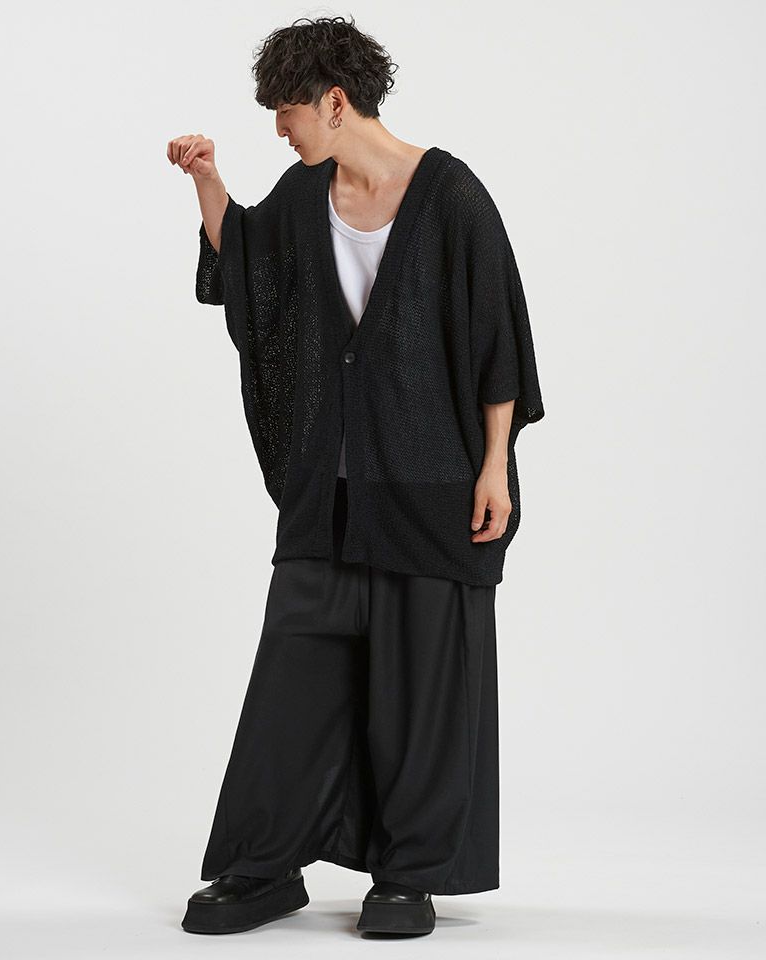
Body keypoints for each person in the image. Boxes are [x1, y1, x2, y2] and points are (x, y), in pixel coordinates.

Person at [168, 14, 545, 939]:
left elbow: (497, 339)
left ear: (335, 102)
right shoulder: (305, 196)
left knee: (421, 687)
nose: (280, 128)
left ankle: (407, 876)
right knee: (292, 680)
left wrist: (495, 466)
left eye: (288, 110)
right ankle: (264, 866)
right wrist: (209, 183)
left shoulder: (451, 195)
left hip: (430, 488)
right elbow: (248, 272)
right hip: (327, 494)